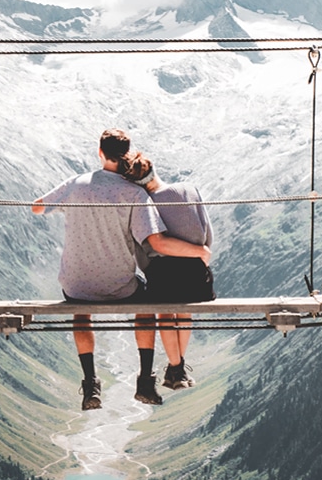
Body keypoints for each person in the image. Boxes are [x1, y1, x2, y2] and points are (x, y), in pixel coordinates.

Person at [31, 129, 211, 411]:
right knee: (147, 302)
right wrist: (199, 252)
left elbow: (37, 208)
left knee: (80, 308)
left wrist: (74, 207)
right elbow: (156, 241)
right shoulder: (134, 193)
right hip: (120, 286)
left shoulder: (76, 184)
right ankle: (146, 381)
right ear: (126, 154)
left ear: (100, 152)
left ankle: (91, 383)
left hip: (76, 284)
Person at [124, 154, 214, 390]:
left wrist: (148, 269)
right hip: (197, 276)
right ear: (153, 169)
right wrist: (198, 254)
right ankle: (177, 368)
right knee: (184, 313)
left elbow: (149, 247)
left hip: (164, 276)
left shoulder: (146, 204)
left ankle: (176, 368)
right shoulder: (189, 189)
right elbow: (208, 236)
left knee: (165, 312)